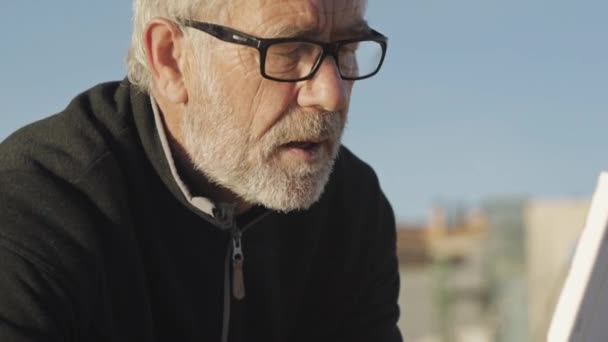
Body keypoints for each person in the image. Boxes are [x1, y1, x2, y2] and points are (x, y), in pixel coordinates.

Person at [0, 0, 401, 341]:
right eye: (288, 49)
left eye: (347, 47)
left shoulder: (353, 208)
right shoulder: (34, 208)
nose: (332, 95)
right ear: (171, 59)